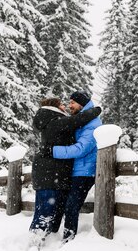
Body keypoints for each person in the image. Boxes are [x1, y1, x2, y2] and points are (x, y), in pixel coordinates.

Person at [29, 97, 101, 243]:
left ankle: (44, 240)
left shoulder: (50, 120)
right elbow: (78, 120)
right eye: (62, 104)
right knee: (45, 213)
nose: (66, 107)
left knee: (49, 211)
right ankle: (34, 243)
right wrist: (96, 110)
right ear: (54, 107)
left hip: (49, 174)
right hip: (49, 174)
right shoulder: (55, 122)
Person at [50, 90, 102, 241]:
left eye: (72, 102)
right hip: (77, 170)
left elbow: (81, 149)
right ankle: (58, 237)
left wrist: (53, 151)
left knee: (71, 207)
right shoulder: (82, 120)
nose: (69, 105)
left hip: (85, 172)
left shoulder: (92, 124)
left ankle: (68, 240)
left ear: (82, 104)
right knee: (64, 204)